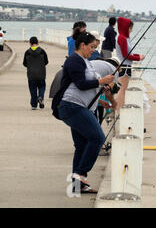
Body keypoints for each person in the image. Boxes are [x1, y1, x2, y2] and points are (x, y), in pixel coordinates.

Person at [58, 30, 115, 194]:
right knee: (97, 138)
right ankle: (81, 175)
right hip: (72, 106)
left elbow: (86, 85)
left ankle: (78, 186)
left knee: (82, 145)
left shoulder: (84, 61)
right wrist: (102, 80)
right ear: (82, 45)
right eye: (91, 47)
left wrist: (100, 98)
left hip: (78, 106)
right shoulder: (74, 60)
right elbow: (82, 84)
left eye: (95, 47)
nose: (93, 50)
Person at [115, 17, 145, 115]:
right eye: (130, 28)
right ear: (125, 27)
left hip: (126, 65)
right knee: (122, 89)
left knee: (123, 89)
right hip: (124, 66)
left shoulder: (125, 38)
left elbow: (129, 53)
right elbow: (125, 55)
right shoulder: (122, 38)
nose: (131, 30)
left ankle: (120, 110)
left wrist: (138, 56)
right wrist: (138, 58)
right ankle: (119, 111)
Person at [23, 36, 49, 110]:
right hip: (41, 74)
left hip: (31, 75)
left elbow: (24, 63)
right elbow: (46, 62)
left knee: (32, 89)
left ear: (30, 43)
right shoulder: (42, 51)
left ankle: (34, 105)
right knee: (42, 87)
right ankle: (40, 96)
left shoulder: (27, 52)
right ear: (38, 43)